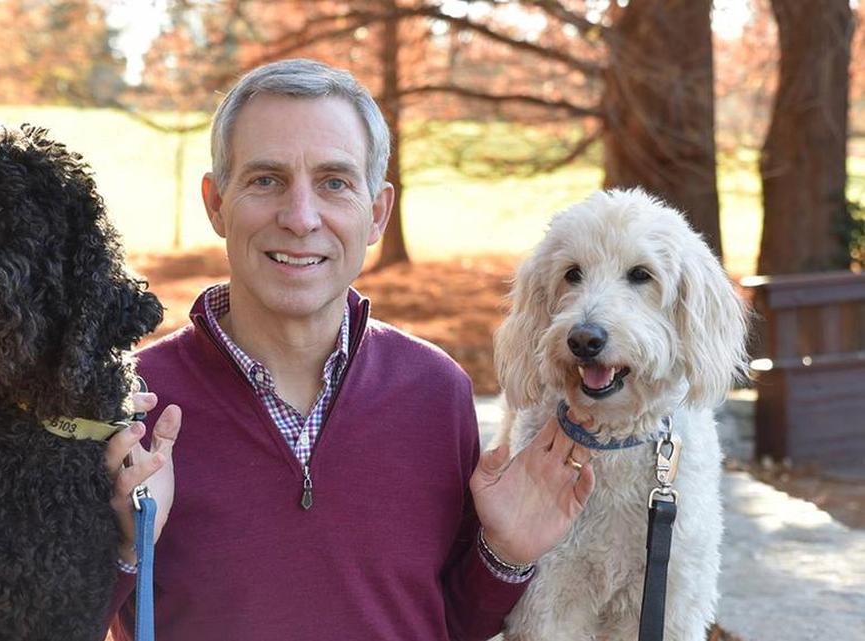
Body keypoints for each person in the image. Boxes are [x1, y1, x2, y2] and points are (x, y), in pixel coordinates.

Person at [103, 59, 595, 641]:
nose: (300, 217)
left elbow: (447, 622)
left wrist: (505, 554)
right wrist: (126, 544)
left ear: (377, 212)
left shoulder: (436, 392)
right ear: (216, 202)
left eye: (334, 182)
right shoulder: (130, 405)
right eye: (266, 180)